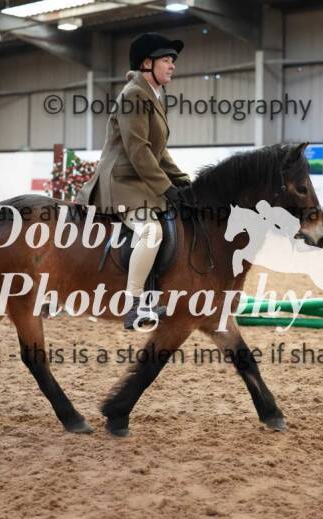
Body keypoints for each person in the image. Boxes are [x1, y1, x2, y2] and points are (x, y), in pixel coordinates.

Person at [75, 33, 191, 330]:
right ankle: (134, 304)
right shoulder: (134, 95)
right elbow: (138, 150)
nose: (172, 65)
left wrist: (183, 181)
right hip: (121, 180)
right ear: (146, 63)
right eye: (166, 60)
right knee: (151, 231)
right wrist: (166, 188)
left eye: (173, 60)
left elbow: (158, 152)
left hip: (139, 178)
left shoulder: (155, 96)